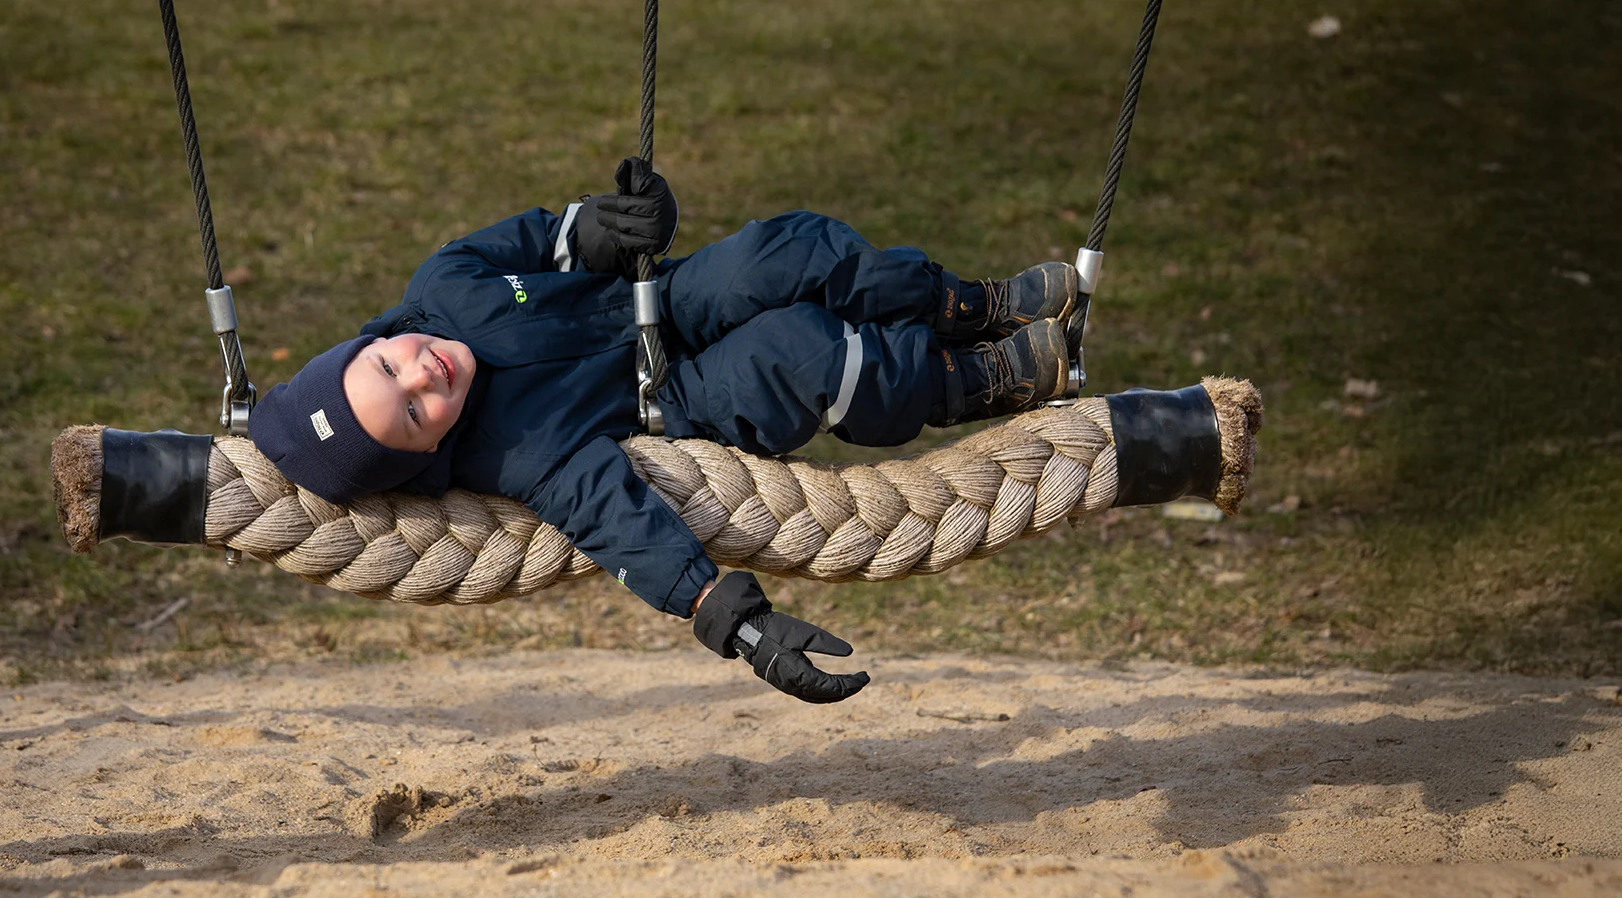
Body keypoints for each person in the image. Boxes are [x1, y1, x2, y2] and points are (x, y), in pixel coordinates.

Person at [248, 159, 1081, 704]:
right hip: (674, 398)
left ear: (376, 340)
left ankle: (965, 305)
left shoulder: (445, 284)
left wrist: (609, 230)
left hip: (657, 304)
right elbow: (618, 524)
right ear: (426, 452)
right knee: (798, 358)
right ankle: (970, 381)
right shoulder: (518, 453)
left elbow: (547, 239)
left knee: (779, 253)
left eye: (393, 367)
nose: (425, 374)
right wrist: (734, 620)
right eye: (415, 412)